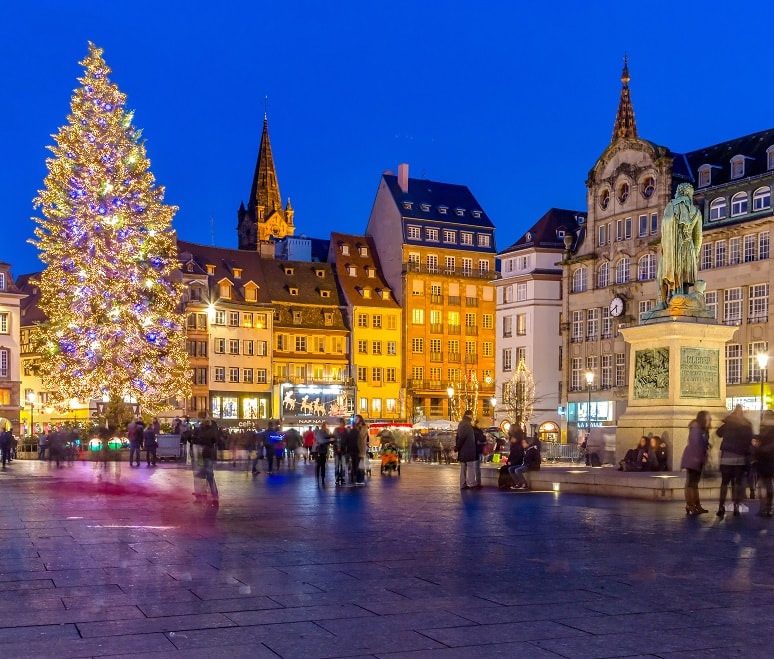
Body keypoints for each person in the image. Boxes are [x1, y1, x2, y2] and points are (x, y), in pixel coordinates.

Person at [657, 182, 702, 307]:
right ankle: (684, 301)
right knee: (685, 278)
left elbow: (666, 222)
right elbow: (698, 238)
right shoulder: (696, 212)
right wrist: (696, 254)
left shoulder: (672, 206)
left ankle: (674, 300)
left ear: (679, 192)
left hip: (675, 248)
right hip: (689, 248)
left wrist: (668, 244)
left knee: (673, 274)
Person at [715, 405, 753, 517]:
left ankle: (721, 507)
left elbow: (718, 433)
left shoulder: (729, 423)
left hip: (727, 456)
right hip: (739, 457)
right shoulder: (746, 424)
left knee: (724, 483)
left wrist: (727, 420)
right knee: (737, 483)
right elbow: (749, 440)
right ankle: (736, 506)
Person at [680, 411, 712, 515]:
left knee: (694, 483)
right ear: (703, 419)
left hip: (698, 459)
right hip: (693, 459)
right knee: (691, 483)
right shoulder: (696, 429)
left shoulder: (704, 430)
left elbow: (703, 444)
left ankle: (696, 505)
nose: (710, 420)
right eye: (708, 418)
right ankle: (690, 505)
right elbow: (696, 445)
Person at [753, 410, 774, 517]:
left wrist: (759, 450)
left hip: (765, 459)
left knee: (763, 484)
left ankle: (764, 508)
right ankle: (768, 507)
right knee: (767, 484)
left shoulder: (765, 428)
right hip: (768, 459)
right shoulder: (764, 427)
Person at [194, 418, 219, 505]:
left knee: (203, 475)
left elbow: (197, 440)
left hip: (204, 454)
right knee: (210, 476)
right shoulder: (212, 431)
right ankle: (214, 496)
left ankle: (201, 495)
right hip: (209, 454)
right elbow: (214, 440)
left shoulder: (201, 431)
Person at [455, 410, 477, 490]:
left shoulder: (463, 423)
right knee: (470, 467)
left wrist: (457, 447)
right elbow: (462, 437)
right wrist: (457, 447)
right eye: (472, 415)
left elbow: (459, 437)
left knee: (463, 467)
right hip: (468, 449)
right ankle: (471, 483)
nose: (473, 416)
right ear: (469, 415)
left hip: (463, 450)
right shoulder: (466, 424)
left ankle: (463, 484)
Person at [353, 415, 369, 485]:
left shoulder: (364, 427)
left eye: (357, 419)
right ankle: (357, 479)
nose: (355, 420)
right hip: (355, 449)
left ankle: (361, 479)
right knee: (356, 465)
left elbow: (361, 435)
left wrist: (356, 429)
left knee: (361, 465)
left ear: (360, 419)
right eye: (355, 419)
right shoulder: (355, 427)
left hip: (361, 449)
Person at [332, 418, 348, 485]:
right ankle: (337, 478)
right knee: (337, 465)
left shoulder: (346, 431)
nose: (341, 424)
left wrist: (344, 446)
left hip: (343, 450)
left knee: (343, 465)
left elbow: (347, 440)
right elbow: (333, 439)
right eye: (340, 423)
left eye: (342, 423)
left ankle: (343, 478)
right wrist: (336, 445)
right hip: (336, 450)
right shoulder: (336, 430)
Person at [473, 419, 487, 487]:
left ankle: (476, 482)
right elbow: (483, 439)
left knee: (476, 467)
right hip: (477, 450)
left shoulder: (474, 430)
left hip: (476, 450)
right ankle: (477, 482)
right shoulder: (478, 431)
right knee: (476, 467)